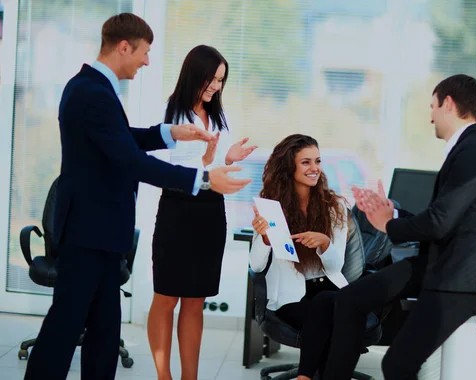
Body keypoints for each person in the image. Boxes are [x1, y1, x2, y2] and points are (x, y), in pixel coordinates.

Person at [24, 13, 250, 380]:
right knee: (64, 329)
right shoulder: (91, 91)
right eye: (144, 52)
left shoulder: (95, 89)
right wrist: (204, 180)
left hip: (103, 231)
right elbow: (130, 160)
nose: (147, 60)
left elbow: (121, 137)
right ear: (124, 47)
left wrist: (168, 133)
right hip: (87, 231)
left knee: (104, 332)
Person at [319, 74, 476, 379]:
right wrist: (392, 213)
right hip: (446, 261)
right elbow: (442, 217)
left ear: (448, 104)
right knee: (350, 299)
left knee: (397, 364)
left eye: (433, 106)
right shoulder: (468, 148)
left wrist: (388, 225)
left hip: (466, 277)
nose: (431, 116)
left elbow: (438, 224)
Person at [147, 45, 257, 380]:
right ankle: (163, 375)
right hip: (178, 210)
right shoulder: (171, 111)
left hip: (211, 212)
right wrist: (208, 163)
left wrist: (228, 157)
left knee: (196, 300)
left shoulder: (219, 115)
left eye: (221, 80)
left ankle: (188, 378)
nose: (216, 86)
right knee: (167, 297)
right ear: (195, 73)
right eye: (212, 78)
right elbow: (164, 167)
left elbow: (213, 166)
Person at [250, 134, 349, 379]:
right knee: (332, 319)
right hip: (292, 296)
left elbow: (338, 266)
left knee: (327, 302)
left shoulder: (334, 206)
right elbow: (256, 264)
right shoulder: (271, 206)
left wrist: (325, 244)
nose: (314, 168)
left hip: (329, 288)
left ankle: (304, 377)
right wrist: (264, 238)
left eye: (317, 161)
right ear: (289, 167)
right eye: (306, 162)